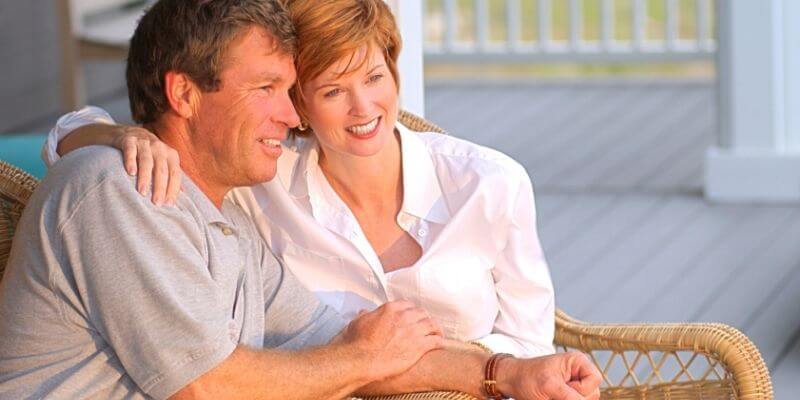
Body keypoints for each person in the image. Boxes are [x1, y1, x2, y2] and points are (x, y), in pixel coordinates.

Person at [7, 0, 602, 399]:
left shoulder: (228, 226)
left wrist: (508, 372)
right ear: (183, 93)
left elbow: (334, 335)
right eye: (267, 88)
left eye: (290, 91)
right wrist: (357, 360)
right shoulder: (120, 191)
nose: (290, 116)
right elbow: (207, 388)